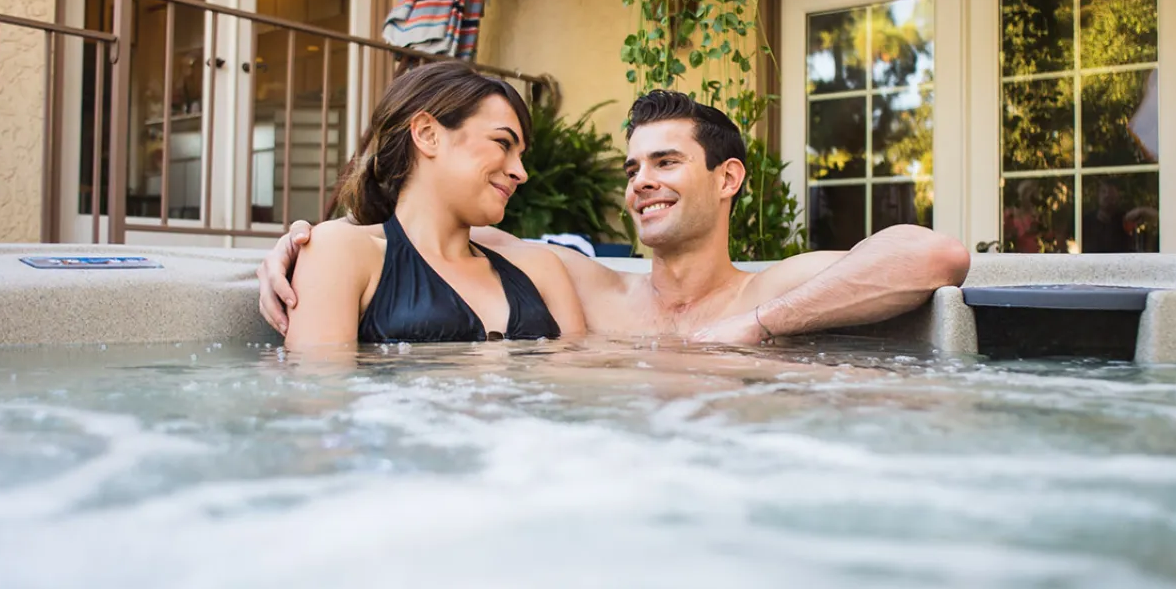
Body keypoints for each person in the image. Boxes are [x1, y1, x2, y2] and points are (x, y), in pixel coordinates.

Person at [263, 89, 969, 346]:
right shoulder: (583, 284)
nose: (641, 184)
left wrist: (751, 329)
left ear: (728, 178)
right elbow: (426, 237)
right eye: (632, 169)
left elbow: (933, 256)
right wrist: (298, 244)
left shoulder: (771, 290)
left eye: (665, 162)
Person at [281, 61, 585, 351]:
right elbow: (319, 395)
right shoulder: (341, 252)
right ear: (428, 135)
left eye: (521, 155)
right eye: (503, 143)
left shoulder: (541, 270)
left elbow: (570, 390)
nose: (521, 172)